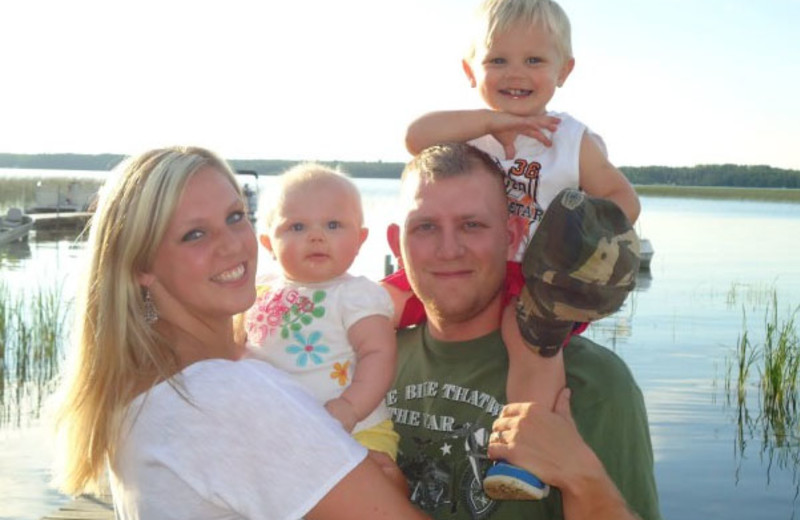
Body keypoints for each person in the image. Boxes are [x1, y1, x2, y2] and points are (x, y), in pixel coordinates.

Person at [51, 146, 428, 520]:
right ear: (141, 266)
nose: (232, 244)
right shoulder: (223, 393)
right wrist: (389, 494)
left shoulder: (141, 390)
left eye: (235, 216)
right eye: (195, 234)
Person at [386, 0, 642, 499]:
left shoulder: (571, 140)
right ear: (470, 70)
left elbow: (622, 199)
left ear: (563, 71)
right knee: (377, 306)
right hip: (475, 262)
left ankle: (520, 458)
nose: (515, 74)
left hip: (537, 276)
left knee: (527, 342)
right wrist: (487, 120)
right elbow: (414, 137)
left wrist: (580, 234)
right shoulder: (472, 129)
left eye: (534, 61)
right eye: (497, 60)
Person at [385, 142, 660, 519]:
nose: (448, 249)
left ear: (513, 236)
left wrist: (582, 477)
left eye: (472, 225)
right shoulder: (362, 361)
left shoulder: (591, 382)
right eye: (426, 226)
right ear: (395, 244)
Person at [243, 163, 403, 489]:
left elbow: (378, 353)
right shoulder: (260, 291)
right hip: (283, 435)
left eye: (333, 225)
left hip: (355, 430)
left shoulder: (354, 294)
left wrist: (350, 407)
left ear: (360, 240)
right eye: (297, 227)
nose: (316, 236)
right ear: (268, 243)